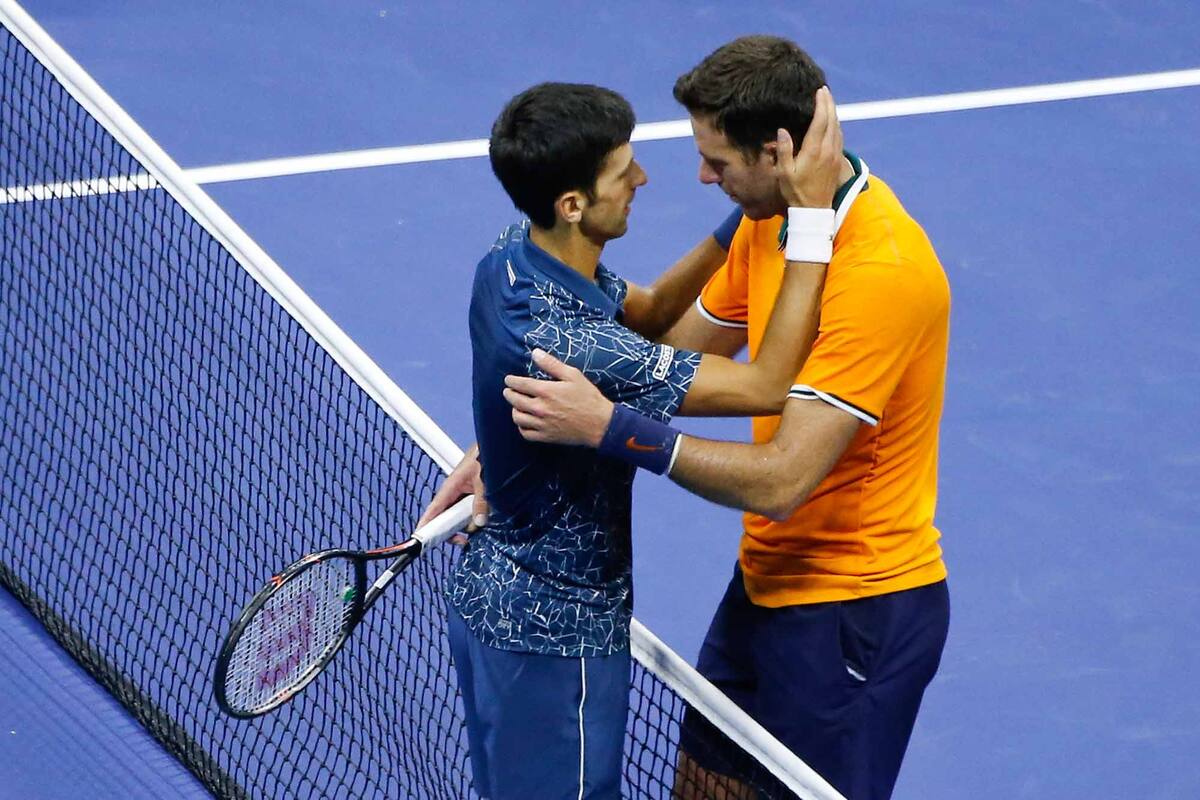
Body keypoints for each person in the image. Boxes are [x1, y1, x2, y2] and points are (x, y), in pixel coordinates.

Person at [500, 36, 952, 800]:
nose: (702, 175)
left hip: (854, 617)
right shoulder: (770, 224)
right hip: (765, 588)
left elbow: (782, 482)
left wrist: (609, 430)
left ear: (778, 154)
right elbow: (671, 358)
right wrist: (512, 452)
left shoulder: (882, 273)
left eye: (718, 161)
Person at [429, 80, 844, 800]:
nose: (644, 180)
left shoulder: (513, 260)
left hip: (492, 603)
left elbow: (649, 312)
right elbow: (768, 384)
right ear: (573, 205)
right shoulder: (575, 347)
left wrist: (744, 219)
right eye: (625, 173)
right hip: (556, 644)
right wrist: (807, 219)